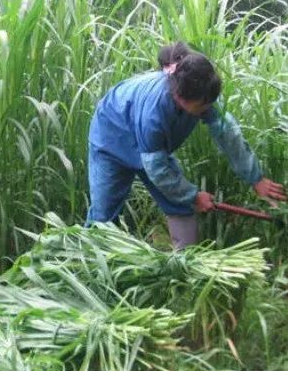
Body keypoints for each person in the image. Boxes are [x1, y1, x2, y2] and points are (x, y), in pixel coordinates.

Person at [87, 42, 286, 248]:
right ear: (181, 99)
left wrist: (256, 179)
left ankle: (185, 265)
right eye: (202, 106)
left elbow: (228, 133)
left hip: (153, 149)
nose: (207, 109)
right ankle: (92, 264)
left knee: (178, 203)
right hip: (110, 140)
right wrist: (193, 196)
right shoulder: (154, 116)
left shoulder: (202, 91)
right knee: (103, 216)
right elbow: (157, 169)